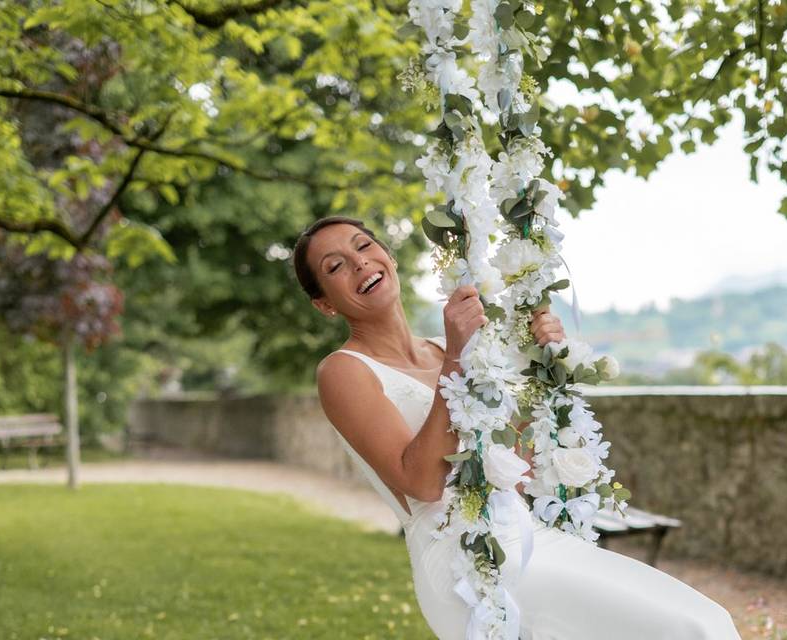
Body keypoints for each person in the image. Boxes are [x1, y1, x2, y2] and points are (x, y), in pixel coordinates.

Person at [293, 215, 743, 639]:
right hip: (466, 560)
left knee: (706, 619)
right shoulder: (345, 371)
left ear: (388, 256)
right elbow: (422, 482)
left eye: (364, 246)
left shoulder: (438, 348)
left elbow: (516, 463)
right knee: (692, 629)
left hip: (527, 534)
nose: (360, 264)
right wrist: (458, 358)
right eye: (336, 267)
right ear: (324, 304)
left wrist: (542, 364)